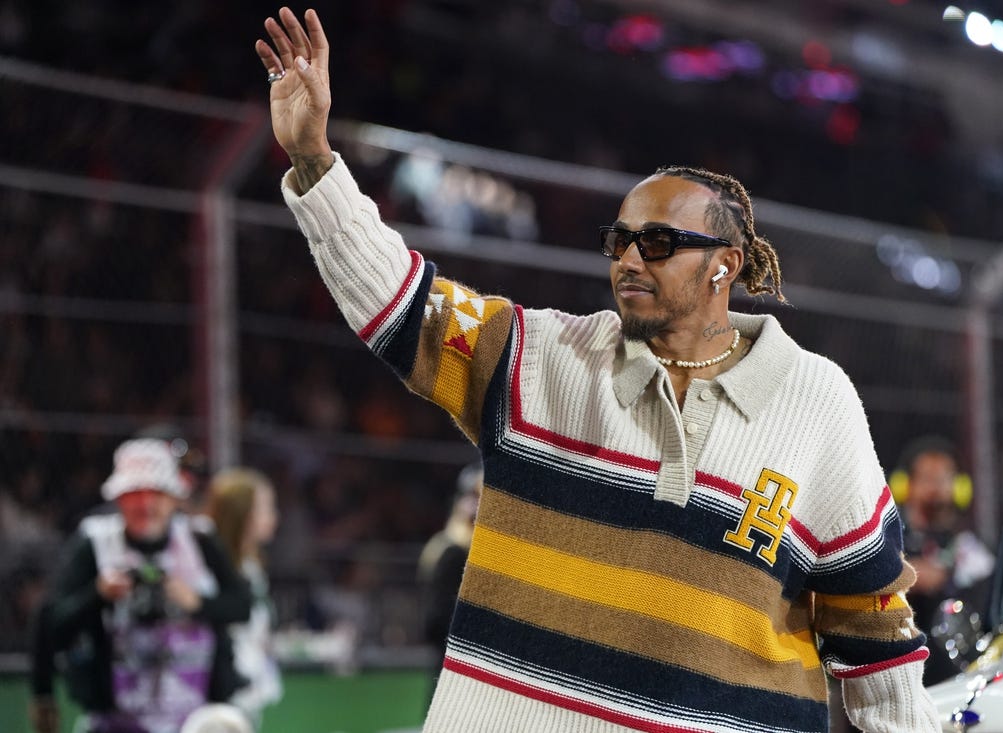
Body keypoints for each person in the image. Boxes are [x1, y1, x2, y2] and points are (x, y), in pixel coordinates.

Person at [255, 8, 940, 731]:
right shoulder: (542, 358)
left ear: (724, 266)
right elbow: (403, 300)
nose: (628, 259)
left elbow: (870, 630)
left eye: (655, 242)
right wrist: (314, 160)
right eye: (618, 241)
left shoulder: (816, 401)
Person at [33, 438, 251, 733]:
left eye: (157, 493)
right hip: (116, 719)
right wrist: (98, 595)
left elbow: (243, 605)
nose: (146, 505)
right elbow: (52, 623)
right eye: (135, 493)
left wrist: (197, 603)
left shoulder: (199, 539)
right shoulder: (95, 542)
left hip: (193, 718)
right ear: (118, 497)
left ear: (175, 497)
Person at [891, 435, 994, 685]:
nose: (935, 487)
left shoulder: (969, 547)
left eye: (943, 478)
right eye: (926, 478)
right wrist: (906, 575)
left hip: (954, 680)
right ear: (905, 485)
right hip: (899, 676)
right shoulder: (889, 542)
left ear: (959, 488)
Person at [204, 466, 284, 729]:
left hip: (250, 692)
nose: (273, 517)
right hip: (221, 695)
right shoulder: (212, 569)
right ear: (242, 514)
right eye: (265, 508)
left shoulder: (253, 565)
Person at [417, 462, 482, 703]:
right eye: (475, 497)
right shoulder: (450, 551)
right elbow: (435, 619)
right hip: (454, 661)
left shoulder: (456, 548)